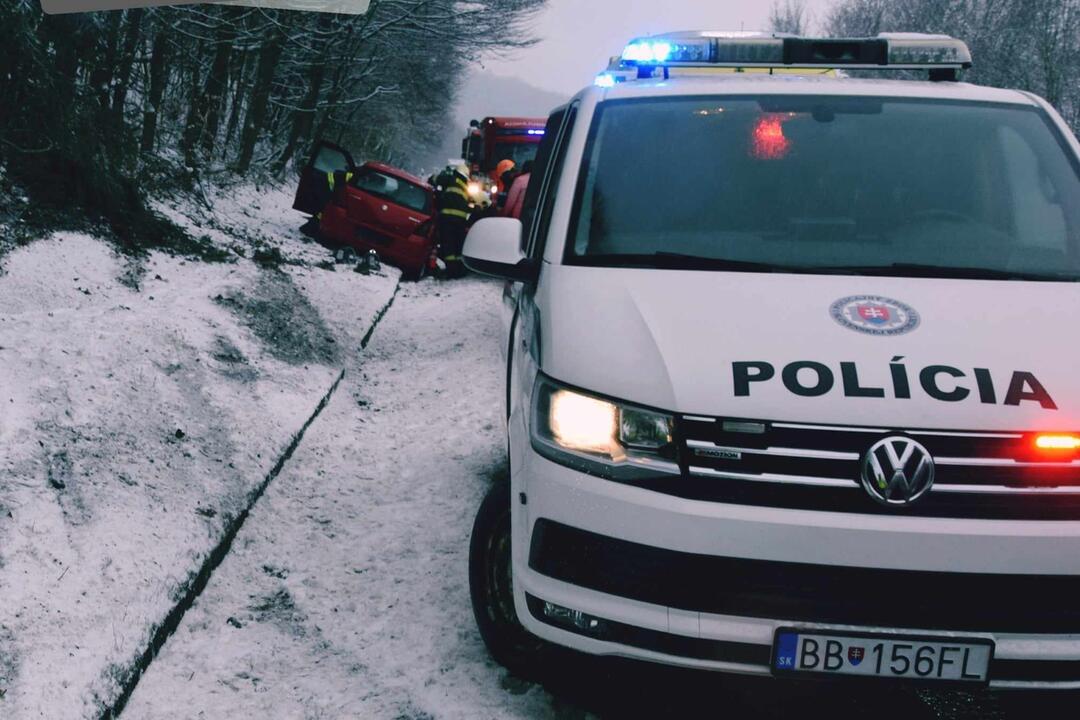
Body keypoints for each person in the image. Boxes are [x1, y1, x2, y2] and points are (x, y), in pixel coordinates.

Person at [435, 163, 472, 277]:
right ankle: (458, 270)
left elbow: (437, 180)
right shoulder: (466, 187)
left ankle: (451, 271)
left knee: (448, 245)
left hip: (447, 219)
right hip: (460, 222)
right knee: (457, 246)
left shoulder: (451, 179)